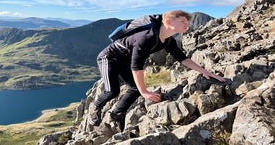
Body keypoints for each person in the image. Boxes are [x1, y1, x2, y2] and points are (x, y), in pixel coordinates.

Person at [88, 10, 226, 127]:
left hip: (124, 60)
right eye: (183, 21)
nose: (187, 24)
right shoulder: (146, 37)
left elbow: (183, 58)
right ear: (168, 22)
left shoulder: (168, 40)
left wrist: (206, 72)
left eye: (187, 22)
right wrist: (145, 92)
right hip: (108, 58)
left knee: (135, 88)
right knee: (112, 91)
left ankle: (117, 112)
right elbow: (136, 66)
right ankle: (95, 108)